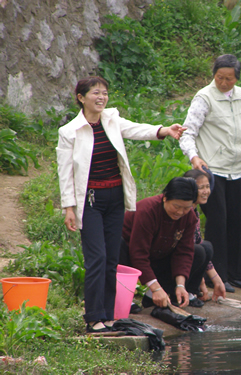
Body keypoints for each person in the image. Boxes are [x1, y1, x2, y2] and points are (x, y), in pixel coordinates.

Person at [57, 76, 185, 333]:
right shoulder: (69, 131)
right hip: (90, 202)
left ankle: (109, 315)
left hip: (115, 199)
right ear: (81, 98)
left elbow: (136, 129)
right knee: (97, 258)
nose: (101, 97)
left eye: (104, 92)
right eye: (95, 93)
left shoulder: (111, 120)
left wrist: (164, 130)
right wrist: (68, 207)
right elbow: (65, 172)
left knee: (111, 260)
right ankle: (94, 318)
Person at [179, 54, 241, 291]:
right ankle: (216, 277)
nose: (223, 83)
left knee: (239, 222)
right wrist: (194, 156)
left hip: (239, 169)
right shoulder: (204, 97)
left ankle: (235, 273)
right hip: (213, 170)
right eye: (219, 77)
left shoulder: (240, 95)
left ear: (236, 78)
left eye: (229, 79)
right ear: (214, 75)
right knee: (218, 224)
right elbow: (187, 133)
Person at [120, 177, 211, 309]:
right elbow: (138, 253)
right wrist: (156, 287)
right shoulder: (147, 211)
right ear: (165, 198)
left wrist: (180, 285)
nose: (180, 212)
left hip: (159, 257)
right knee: (118, 245)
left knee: (199, 251)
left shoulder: (189, 216)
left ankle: (158, 296)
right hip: (131, 258)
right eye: (176, 206)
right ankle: (125, 297)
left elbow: (184, 252)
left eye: (186, 208)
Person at [183, 169, 226, 301]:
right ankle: (186, 291)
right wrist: (201, 282)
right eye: (201, 188)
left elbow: (197, 241)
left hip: (185, 256)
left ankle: (192, 291)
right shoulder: (184, 210)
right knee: (200, 250)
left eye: (207, 187)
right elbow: (189, 246)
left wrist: (217, 281)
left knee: (206, 246)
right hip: (174, 259)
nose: (206, 191)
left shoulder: (194, 210)